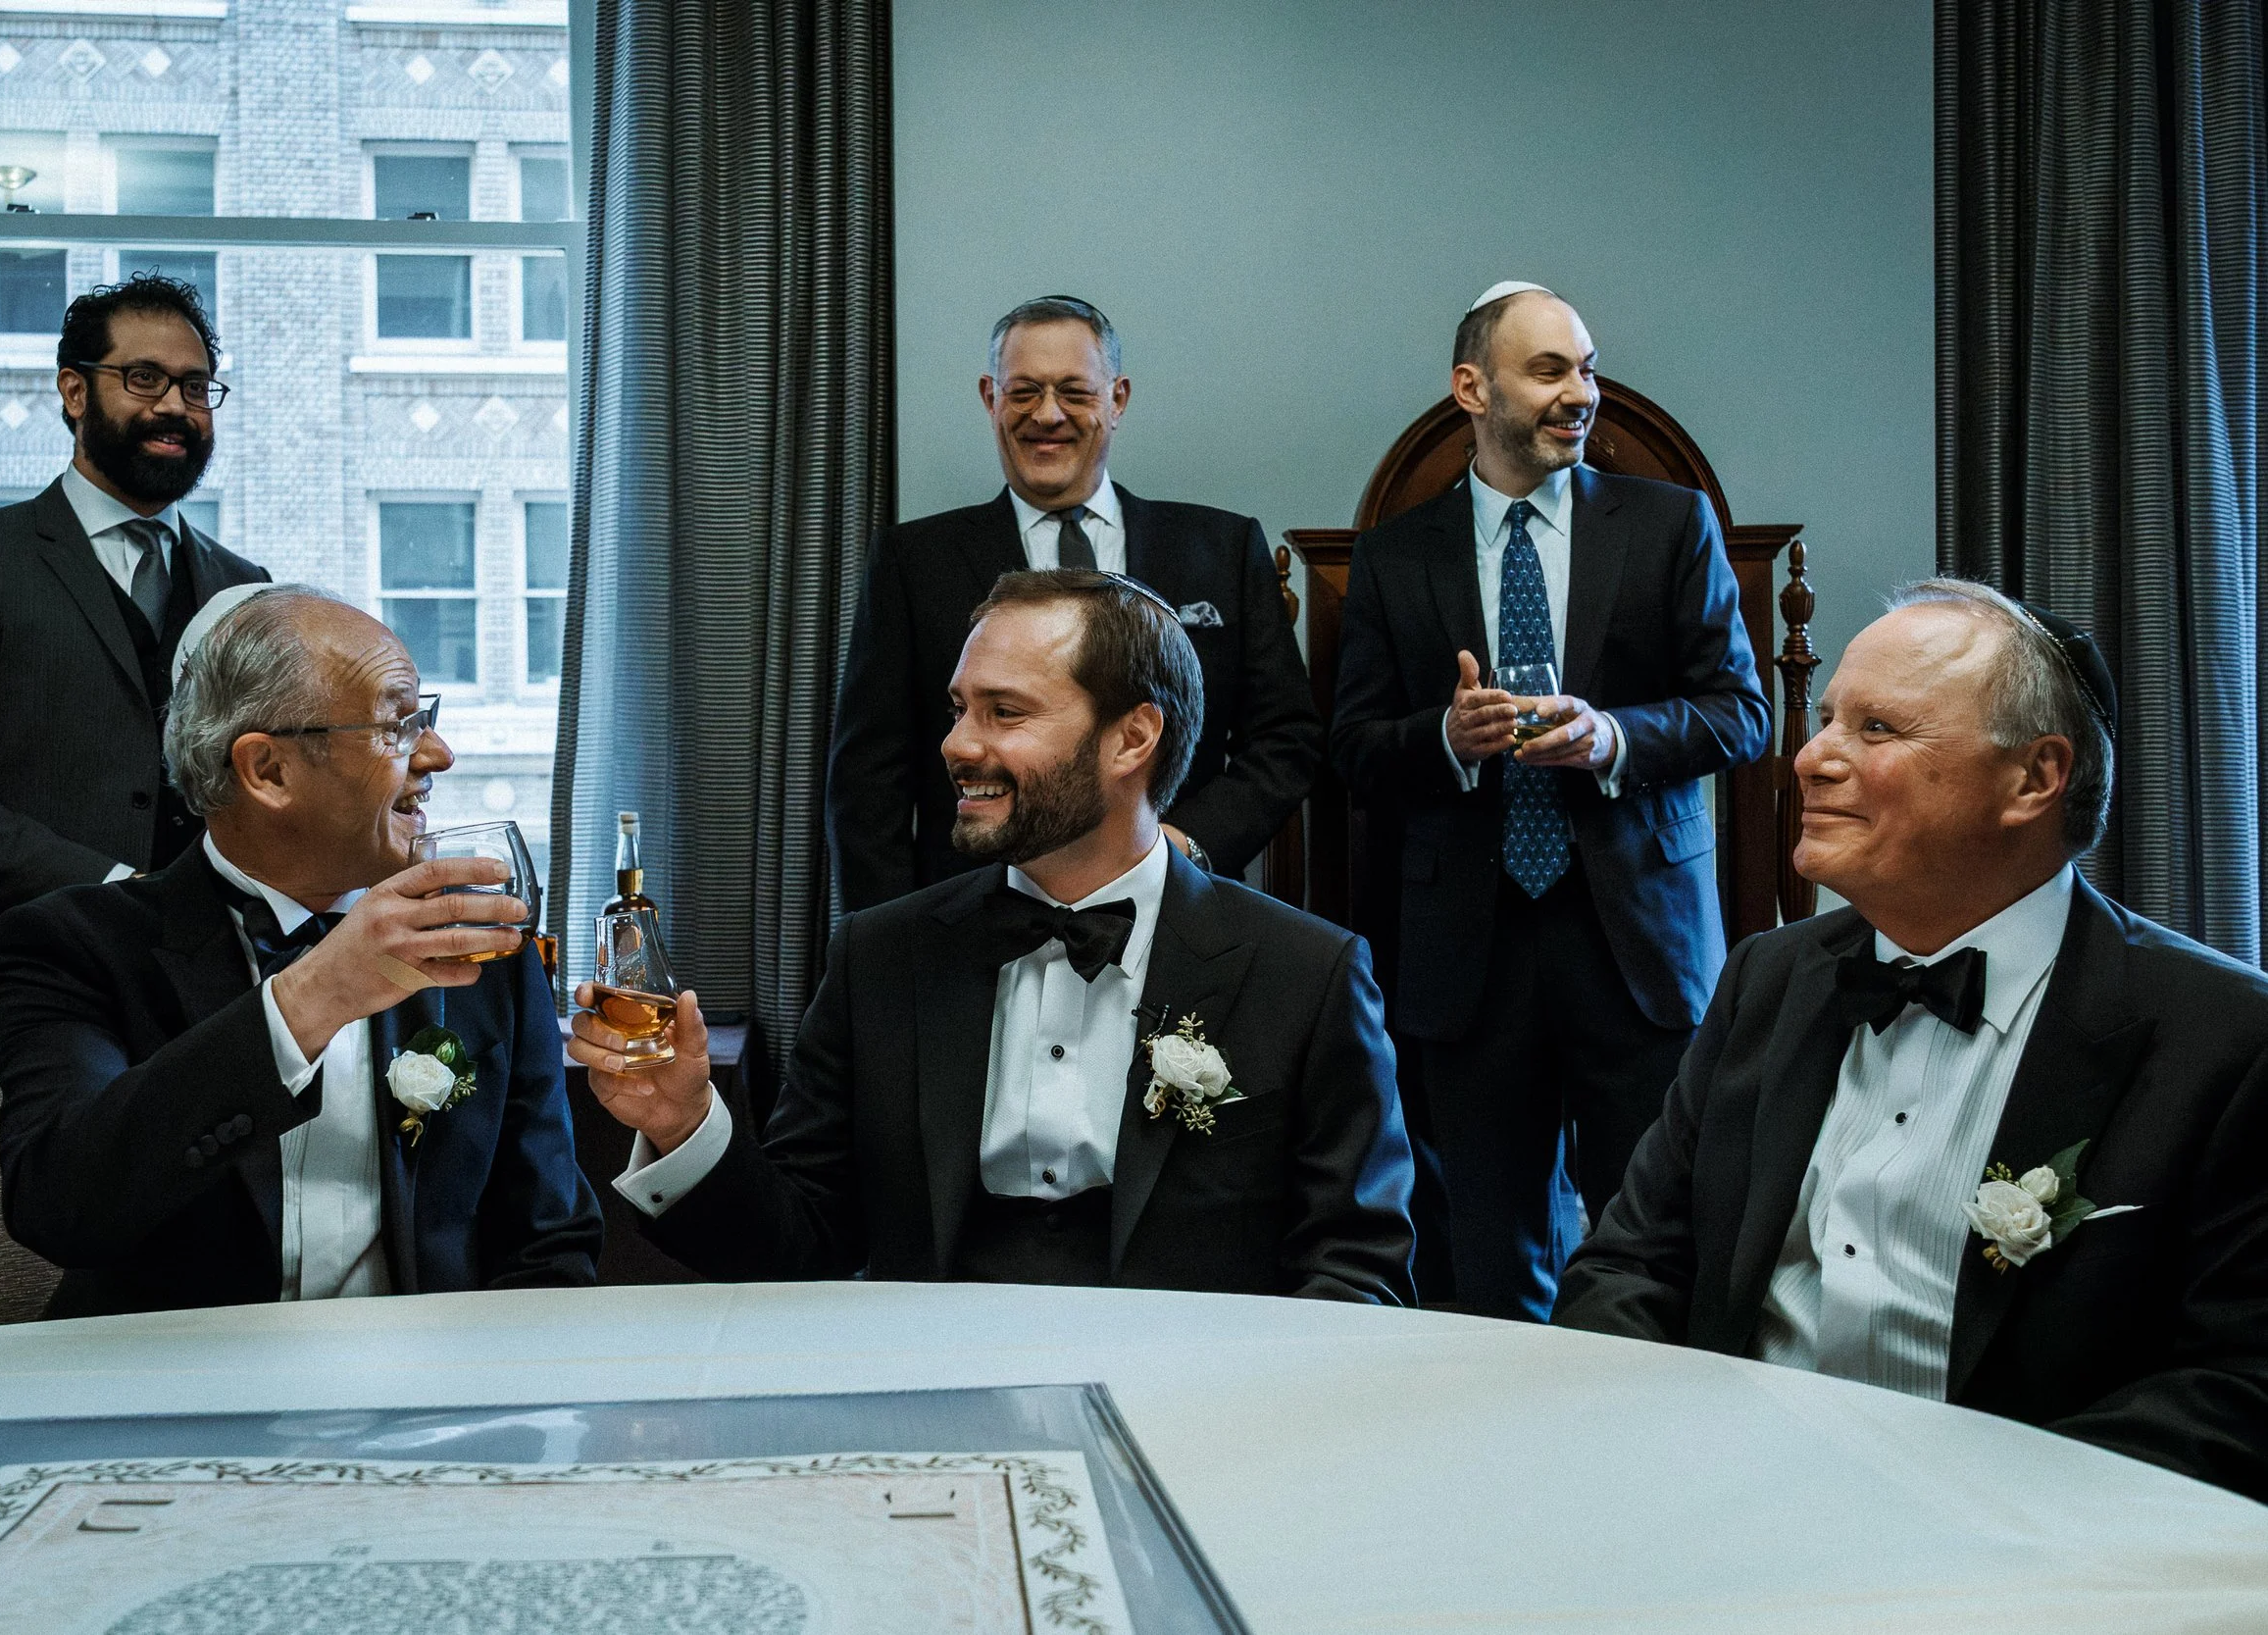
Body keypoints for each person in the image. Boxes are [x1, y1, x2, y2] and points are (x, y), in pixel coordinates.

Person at [1557, 581, 2268, 1504]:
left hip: (2024, 1542)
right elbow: (1629, 1266)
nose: (1811, 757)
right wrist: (1671, 1461)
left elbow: (2238, 1386)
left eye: (1878, 729)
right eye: (1826, 721)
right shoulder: (1767, 978)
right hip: (1724, 1500)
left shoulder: (2224, 1040)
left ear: (2033, 779)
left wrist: (1956, 1515)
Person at [582, 569, 1415, 1302]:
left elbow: (1356, 1270)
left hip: (1194, 1403)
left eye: (1004, 712)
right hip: (933, 1401)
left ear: (1132, 738)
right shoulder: (881, 956)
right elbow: (798, 1248)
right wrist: (687, 1125)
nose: (956, 744)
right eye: (959, 710)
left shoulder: (1306, 974)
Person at [1330, 281, 1770, 1318]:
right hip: (1466, 956)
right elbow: (1350, 748)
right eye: (1548, 371)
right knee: (1485, 1262)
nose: (1580, 393)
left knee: (1662, 1247)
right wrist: (1447, 737)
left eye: (1586, 369)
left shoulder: (1669, 526)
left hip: (1639, 947)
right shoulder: (1394, 555)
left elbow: (1742, 713)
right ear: (1471, 388)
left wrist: (1610, 736)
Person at [0, 588, 600, 1318]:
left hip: (429, 1379)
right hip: (174, 1380)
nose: (437, 754)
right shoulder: (73, 944)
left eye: (425, 718)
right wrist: (310, 998)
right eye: (396, 726)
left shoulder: (477, 951)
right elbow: (59, 1206)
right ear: (268, 770)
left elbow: (549, 1244)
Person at [827, 295, 1322, 912]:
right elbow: (867, 782)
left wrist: (1186, 845)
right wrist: (893, 940)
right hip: (973, 914)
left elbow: (1286, 738)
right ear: (990, 398)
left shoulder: (1223, 548)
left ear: (1117, 399)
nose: (1048, 414)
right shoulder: (911, 562)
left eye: (1074, 392)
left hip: (1179, 911)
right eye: (1024, 392)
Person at [0, 274, 270, 1025]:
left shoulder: (244, 587)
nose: (174, 406)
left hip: (202, 1014)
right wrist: (115, 887)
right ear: (75, 391)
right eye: (144, 378)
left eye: (195, 387)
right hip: (10, 998)